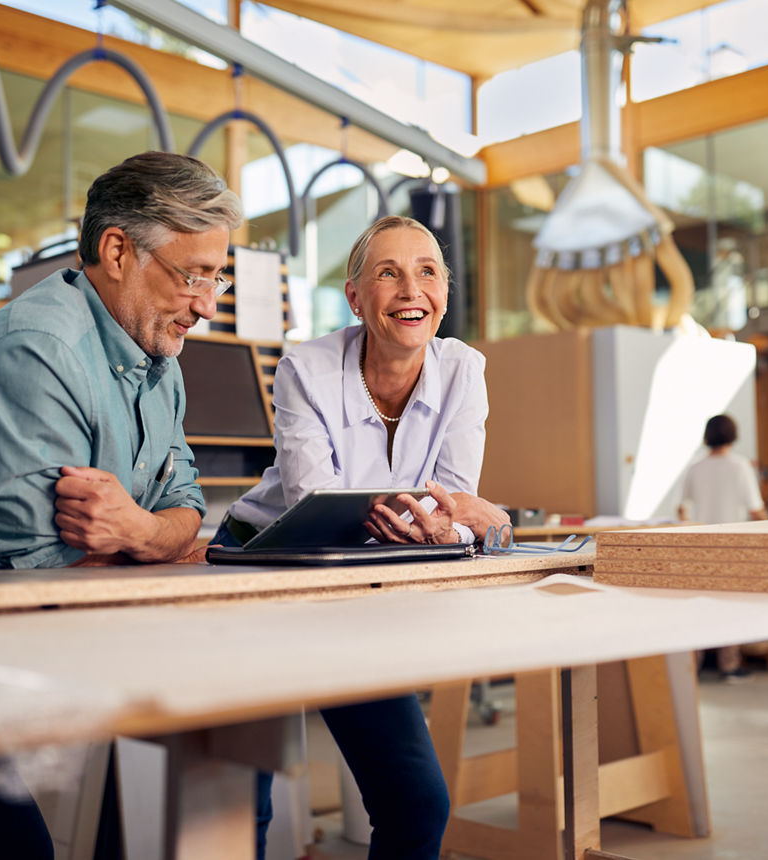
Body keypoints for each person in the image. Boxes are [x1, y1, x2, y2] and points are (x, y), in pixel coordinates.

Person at [0, 150, 243, 857]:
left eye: (218, 277)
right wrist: (166, 546)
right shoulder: (36, 350)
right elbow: (46, 578)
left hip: (1, 652)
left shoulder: (159, 360)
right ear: (117, 252)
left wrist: (139, 532)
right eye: (194, 275)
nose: (208, 303)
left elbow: (187, 507)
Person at [214, 214, 508, 859]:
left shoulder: (464, 370)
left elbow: (453, 506)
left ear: (445, 292)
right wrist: (440, 523)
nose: (412, 290)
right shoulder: (306, 367)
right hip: (260, 566)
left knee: (417, 803)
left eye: (427, 272)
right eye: (388, 274)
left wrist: (448, 525)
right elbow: (313, 507)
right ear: (354, 297)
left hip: (357, 584)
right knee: (239, 807)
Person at [678, 414, 768, 681]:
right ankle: (729, 665)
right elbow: (756, 510)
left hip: (700, 545)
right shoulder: (740, 466)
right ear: (733, 435)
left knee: (698, 605)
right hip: (731, 546)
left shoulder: (695, 467)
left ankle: (693, 665)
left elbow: (682, 507)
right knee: (731, 605)